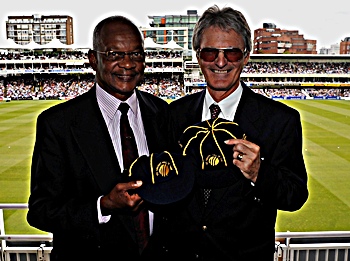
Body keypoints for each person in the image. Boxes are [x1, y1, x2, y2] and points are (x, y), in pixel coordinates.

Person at [146, 5, 309, 261]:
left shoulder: (280, 120)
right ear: (198, 56)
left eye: (231, 53)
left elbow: (295, 195)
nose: (220, 62)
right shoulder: (173, 116)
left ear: (246, 56)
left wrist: (259, 172)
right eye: (210, 53)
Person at [26, 15, 170, 261]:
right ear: (93, 59)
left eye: (136, 54)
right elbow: (41, 211)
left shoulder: (162, 112)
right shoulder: (58, 124)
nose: (128, 64)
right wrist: (102, 206)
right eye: (114, 54)